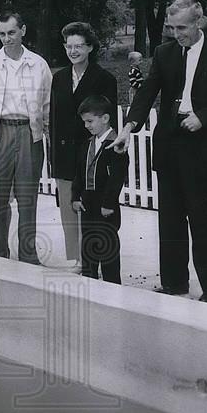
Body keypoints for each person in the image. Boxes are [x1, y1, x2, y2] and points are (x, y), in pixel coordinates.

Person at [111, 0, 207, 302]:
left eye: (182, 27)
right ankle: (174, 283)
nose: (177, 33)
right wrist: (129, 127)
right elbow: (147, 93)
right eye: (172, 28)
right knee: (169, 219)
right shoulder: (164, 53)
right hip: (169, 145)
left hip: (203, 145)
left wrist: (205, 117)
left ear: (198, 22)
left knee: (204, 219)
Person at [0, 10, 53, 264]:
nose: (6, 38)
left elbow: (48, 103)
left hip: (29, 134)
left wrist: (42, 132)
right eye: (2, 34)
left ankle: (29, 256)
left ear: (23, 31)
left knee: (27, 198)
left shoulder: (39, 64)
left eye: (11, 33)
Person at [48, 21, 118, 271]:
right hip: (65, 155)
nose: (73, 51)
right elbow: (54, 120)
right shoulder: (59, 78)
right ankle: (78, 258)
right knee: (69, 208)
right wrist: (54, 158)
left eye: (79, 46)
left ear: (90, 47)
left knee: (91, 209)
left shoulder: (104, 79)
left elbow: (110, 122)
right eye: (69, 46)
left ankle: (94, 258)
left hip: (93, 154)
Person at [71, 95, 127, 284]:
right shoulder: (87, 144)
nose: (87, 125)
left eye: (90, 121)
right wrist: (75, 197)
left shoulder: (117, 144)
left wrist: (108, 203)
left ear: (105, 118)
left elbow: (117, 178)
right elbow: (78, 173)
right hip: (87, 203)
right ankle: (90, 282)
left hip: (105, 206)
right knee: (89, 245)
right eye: (84, 122)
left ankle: (112, 286)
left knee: (108, 246)